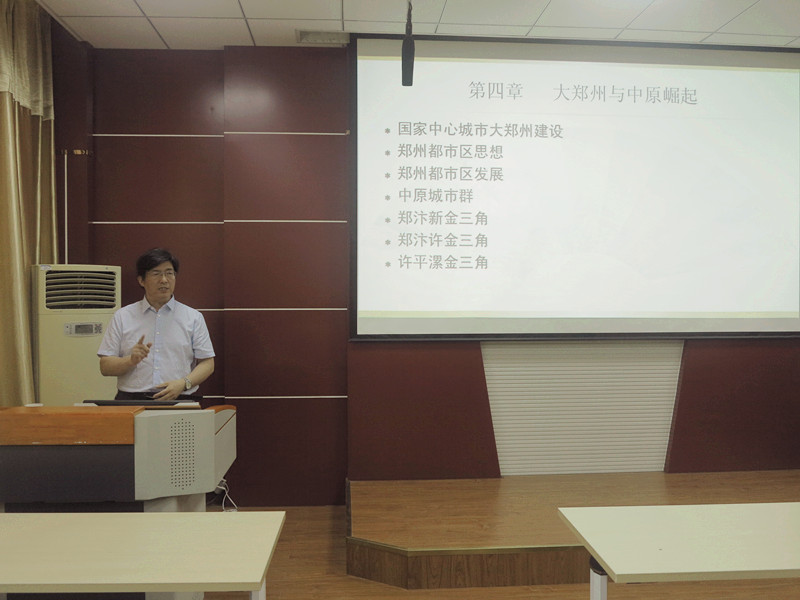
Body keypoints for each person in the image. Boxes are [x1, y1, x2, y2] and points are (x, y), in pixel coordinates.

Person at [97, 248, 215, 401]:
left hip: (179, 398)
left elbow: (208, 363)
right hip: (131, 400)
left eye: (169, 273)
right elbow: (105, 367)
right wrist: (130, 360)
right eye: (156, 273)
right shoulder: (123, 316)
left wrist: (183, 383)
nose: (164, 280)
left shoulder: (193, 317)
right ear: (141, 280)